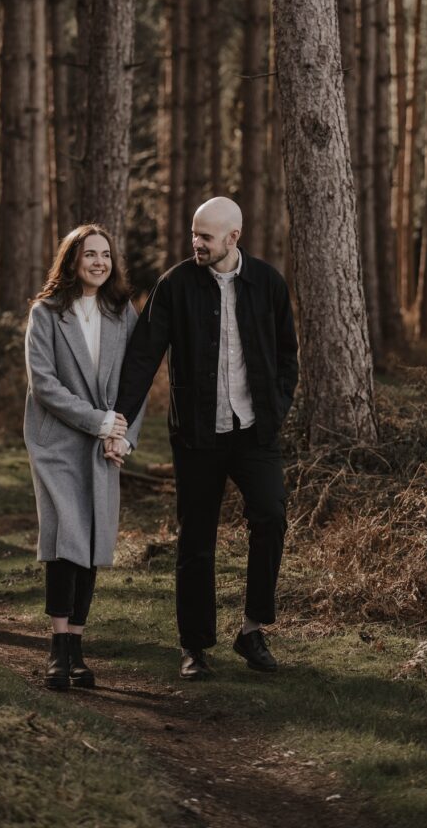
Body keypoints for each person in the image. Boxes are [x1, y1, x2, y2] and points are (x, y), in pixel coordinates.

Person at [109, 197, 298, 680]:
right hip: (196, 435)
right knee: (196, 540)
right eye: (194, 233)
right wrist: (119, 423)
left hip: (254, 432)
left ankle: (252, 629)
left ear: (234, 238)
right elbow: (143, 358)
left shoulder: (269, 283)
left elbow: (287, 355)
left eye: (206, 236)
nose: (196, 242)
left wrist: (275, 408)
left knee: (271, 515)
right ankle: (194, 646)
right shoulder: (175, 285)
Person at [24, 225, 145, 691]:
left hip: (103, 446)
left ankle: (77, 647)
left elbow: (134, 384)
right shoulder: (46, 313)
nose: (99, 262)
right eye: (90, 254)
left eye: (106, 255)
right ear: (72, 260)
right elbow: (44, 384)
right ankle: (58, 648)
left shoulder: (122, 313)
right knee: (65, 536)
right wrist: (100, 422)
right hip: (56, 442)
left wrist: (123, 438)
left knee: (92, 539)